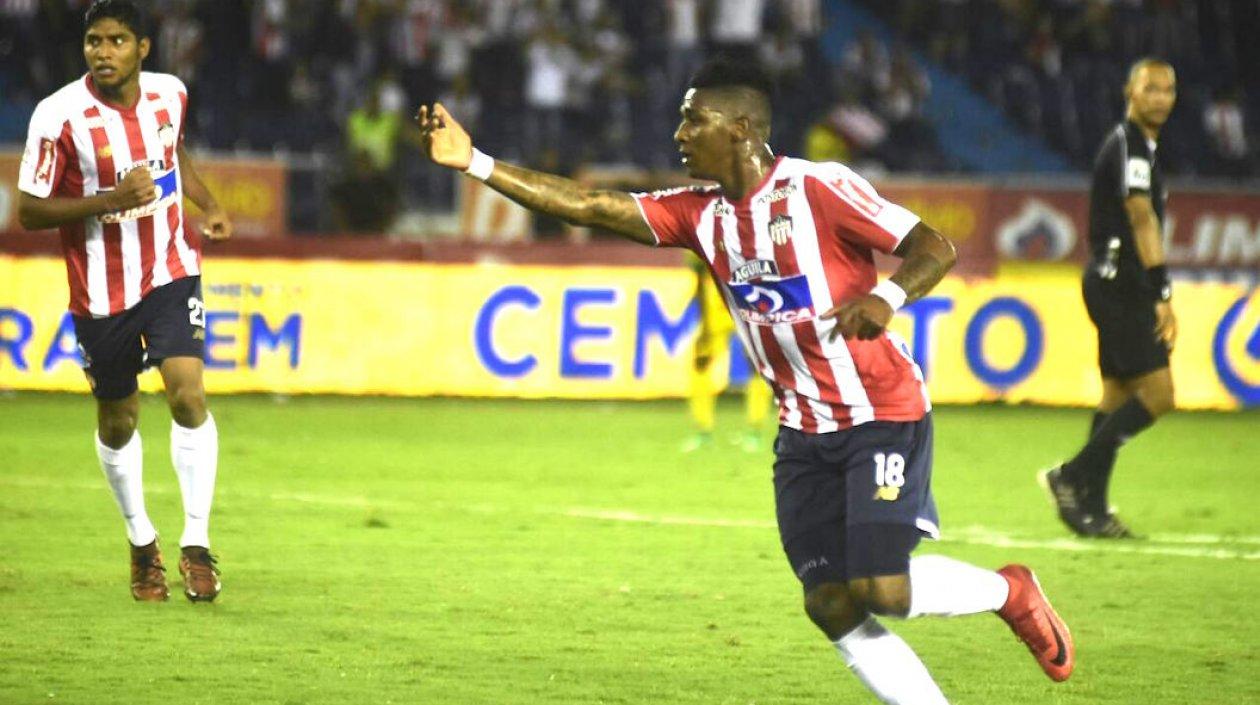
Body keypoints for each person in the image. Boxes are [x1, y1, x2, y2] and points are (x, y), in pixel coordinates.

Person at [417, 57, 1074, 702]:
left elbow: (935, 245)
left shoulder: (819, 189)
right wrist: (475, 162)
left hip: (879, 410)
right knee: (829, 601)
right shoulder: (698, 214)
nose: (679, 134)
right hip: (802, 431)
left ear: (740, 128)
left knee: (883, 589)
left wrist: (888, 297)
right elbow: (590, 205)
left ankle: (1008, 590)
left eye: (692, 120)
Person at [16, 0, 231, 602]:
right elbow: (29, 210)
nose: (103, 52)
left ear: (143, 48)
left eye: (116, 41)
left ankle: (196, 544)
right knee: (119, 421)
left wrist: (209, 204)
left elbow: (174, 153)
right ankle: (141, 541)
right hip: (101, 290)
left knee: (187, 394)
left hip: (170, 268)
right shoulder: (57, 115)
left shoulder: (170, 94)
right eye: (94, 41)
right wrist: (109, 200)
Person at [1040, 59, 1178, 539]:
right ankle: (1071, 475)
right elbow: (1141, 217)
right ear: (1129, 92)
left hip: (1111, 280)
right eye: (1150, 88)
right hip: (1122, 283)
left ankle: (1092, 507)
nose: (1160, 97)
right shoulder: (1131, 145)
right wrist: (1162, 289)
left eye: (1168, 89)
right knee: (1159, 395)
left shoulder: (1138, 146)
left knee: (1117, 395)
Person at [682, 253, 774, 453]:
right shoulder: (702, 236)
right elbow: (700, 276)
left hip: (747, 299)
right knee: (701, 364)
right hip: (716, 301)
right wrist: (704, 321)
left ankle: (755, 431)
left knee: (757, 366)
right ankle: (703, 431)